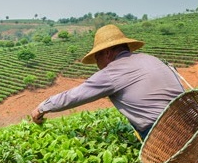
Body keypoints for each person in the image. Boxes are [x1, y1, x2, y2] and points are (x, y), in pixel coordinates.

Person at [30, 24, 185, 140]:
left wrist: (43, 107)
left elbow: (75, 95)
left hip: (163, 134)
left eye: (97, 56)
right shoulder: (152, 59)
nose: (97, 62)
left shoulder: (112, 72)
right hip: (190, 119)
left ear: (108, 53)